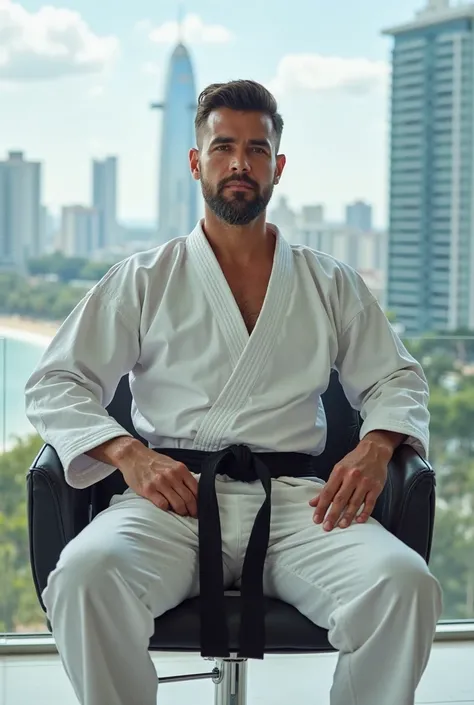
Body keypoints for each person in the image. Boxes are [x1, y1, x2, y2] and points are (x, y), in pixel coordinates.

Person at [25, 79, 443, 705]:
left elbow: (396, 377)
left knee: (403, 584)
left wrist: (379, 442)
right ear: (197, 162)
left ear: (279, 165)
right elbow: (57, 381)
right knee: (86, 577)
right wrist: (128, 455)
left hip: (300, 508)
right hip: (173, 504)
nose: (240, 164)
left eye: (256, 148)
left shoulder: (329, 282)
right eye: (223, 147)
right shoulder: (144, 278)